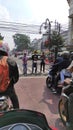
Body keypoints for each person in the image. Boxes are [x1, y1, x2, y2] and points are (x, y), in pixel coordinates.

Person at [0, 42, 19, 109]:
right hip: (8, 89)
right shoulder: (10, 60)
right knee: (14, 100)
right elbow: (16, 78)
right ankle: (17, 112)